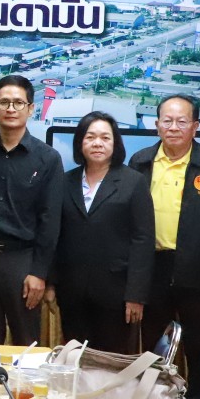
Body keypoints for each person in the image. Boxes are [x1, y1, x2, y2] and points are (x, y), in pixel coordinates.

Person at [129, 95, 200, 399]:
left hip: (197, 272)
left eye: (182, 121)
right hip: (152, 269)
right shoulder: (141, 162)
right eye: (167, 121)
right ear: (156, 124)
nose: (173, 127)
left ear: (195, 126)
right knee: (147, 346)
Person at [0, 75, 64, 346]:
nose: (11, 109)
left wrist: (39, 273)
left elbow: (50, 221)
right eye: (4, 102)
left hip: (23, 263)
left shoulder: (47, 158)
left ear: (31, 108)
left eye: (18, 103)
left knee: (27, 342)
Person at [53, 111, 154, 354]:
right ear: (80, 142)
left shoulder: (133, 182)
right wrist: (51, 282)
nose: (97, 143)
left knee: (112, 361)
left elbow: (143, 239)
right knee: (75, 358)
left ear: (115, 143)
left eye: (105, 138)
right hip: (72, 293)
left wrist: (136, 295)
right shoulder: (65, 182)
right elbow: (55, 234)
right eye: (90, 137)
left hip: (116, 294)